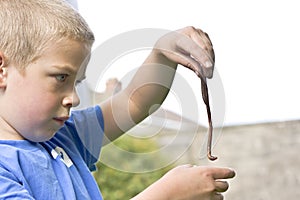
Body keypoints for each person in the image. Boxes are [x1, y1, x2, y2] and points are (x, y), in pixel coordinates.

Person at [0, 0, 235, 199]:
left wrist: (162, 54)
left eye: (77, 82)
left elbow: (134, 103)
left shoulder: (66, 136)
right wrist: (166, 194)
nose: (74, 98)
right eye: (61, 77)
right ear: (2, 70)